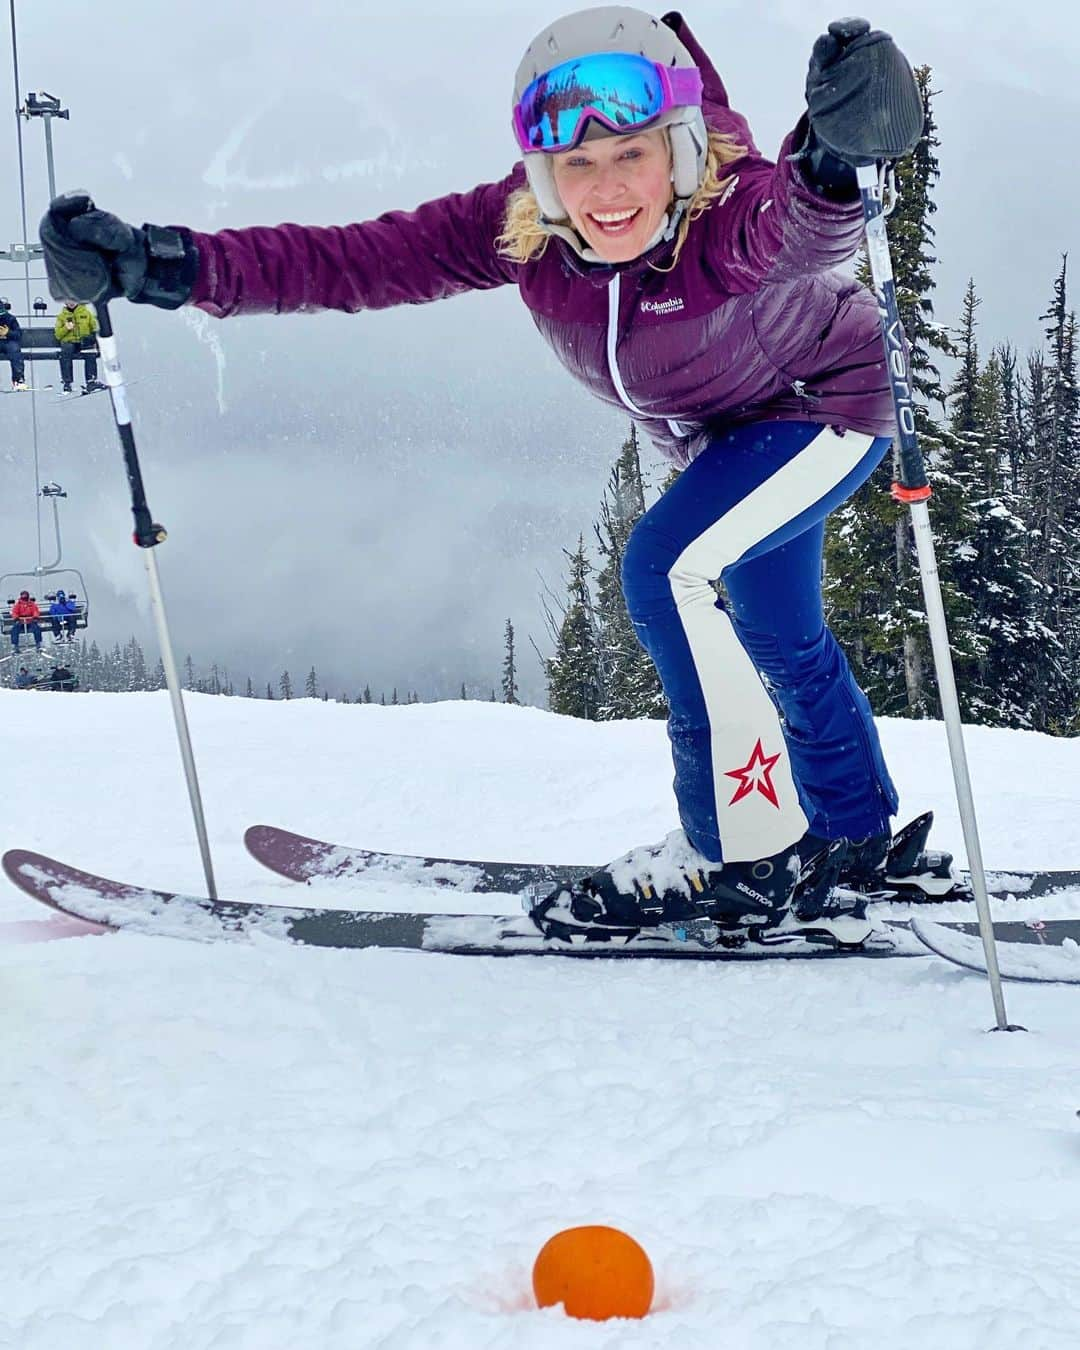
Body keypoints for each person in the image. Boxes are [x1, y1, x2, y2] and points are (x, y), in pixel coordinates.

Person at [38, 9, 932, 943]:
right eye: (575, 166)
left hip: (824, 403)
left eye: (631, 155)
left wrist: (835, 158)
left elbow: (801, 230)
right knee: (776, 626)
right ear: (543, 176)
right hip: (725, 445)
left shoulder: (726, 213)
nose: (605, 190)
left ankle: (733, 858)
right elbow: (352, 261)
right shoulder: (523, 232)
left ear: (680, 147)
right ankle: (853, 837)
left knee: (669, 568)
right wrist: (161, 265)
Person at [54, 300, 103, 393]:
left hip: (84, 341)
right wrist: (66, 328)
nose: (71, 303)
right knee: (65, 353)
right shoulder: (62, 316)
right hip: (70, 342)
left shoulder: (86, 313)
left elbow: (95, 328)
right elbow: (58, 335)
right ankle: (67, 382)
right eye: (68, 301)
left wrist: (94, 337)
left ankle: (91, 381)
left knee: (90, 352)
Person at [0, 297, 27, 390]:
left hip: (9, 342)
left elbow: (18, 334)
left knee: (14, 351)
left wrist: (8, 333)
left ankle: (18, 379)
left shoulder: (10, 318)